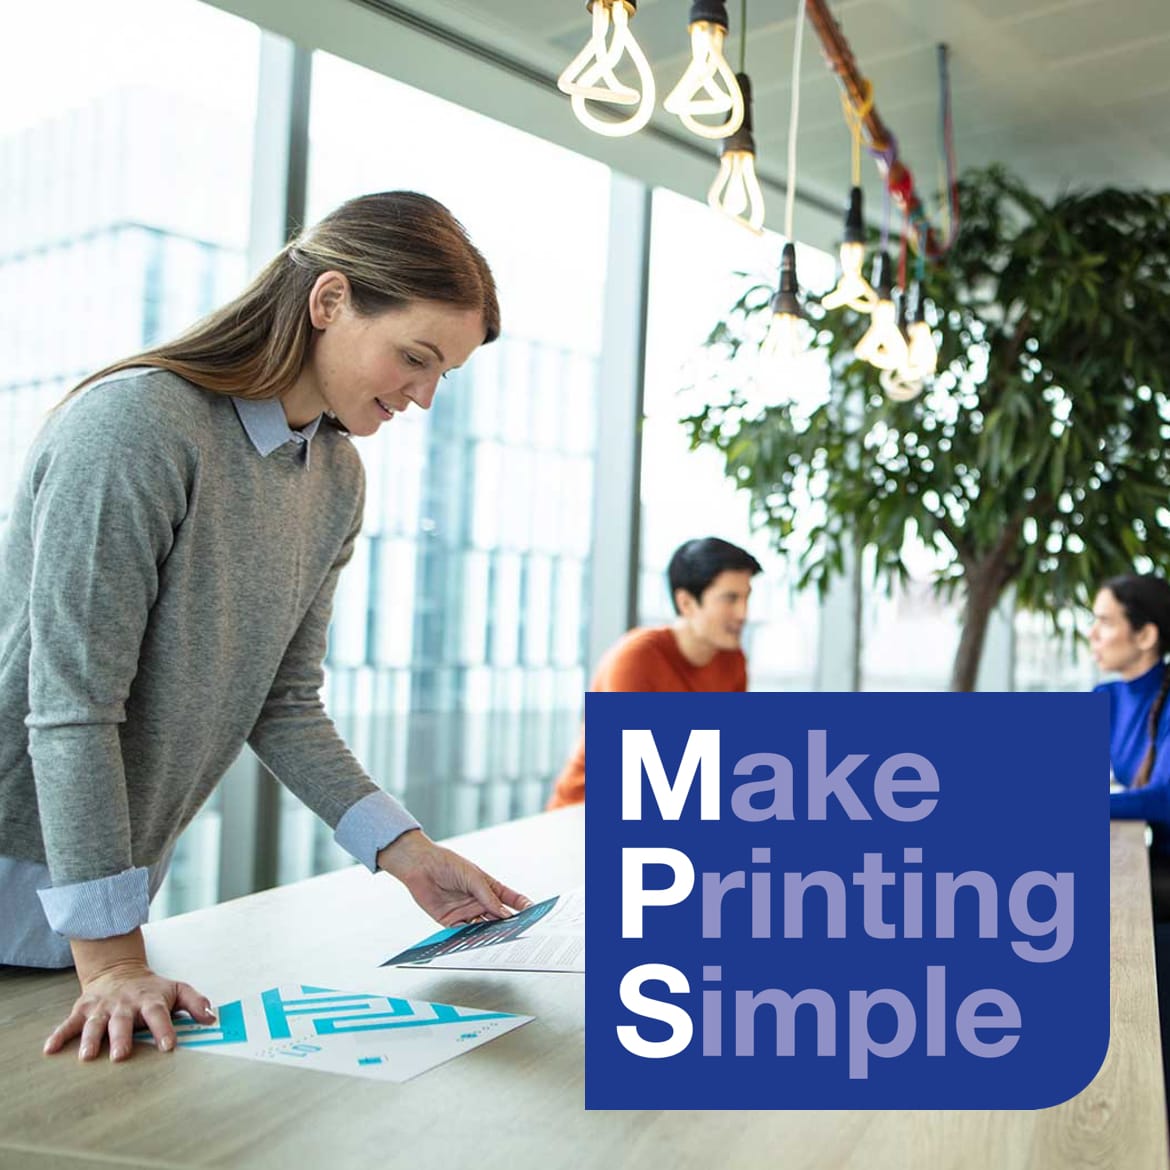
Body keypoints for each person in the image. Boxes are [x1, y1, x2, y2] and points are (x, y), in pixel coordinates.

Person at [0, 191, 531, 1063]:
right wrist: (111, 961)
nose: (425, 397)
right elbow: (72, 708)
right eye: (414, 357)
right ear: (329, 302)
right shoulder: (137, 425)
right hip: (77, 921)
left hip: (86, 926)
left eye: (444, 375)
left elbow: (282, 702)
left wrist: (406, 852)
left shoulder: (336, 477)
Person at [547, 537, 762, 809]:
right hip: (586, 810)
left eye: (746, 597)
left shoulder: (733, 660)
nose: (743, 613)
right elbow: (634, 773)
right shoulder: (635, 658)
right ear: (686, 603)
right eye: (730, 598)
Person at [1092, 573, 1170, 854]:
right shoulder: (1106, 696)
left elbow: (1164, 798)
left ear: (1146, 635)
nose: (1093, 634)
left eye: (1106, 622)